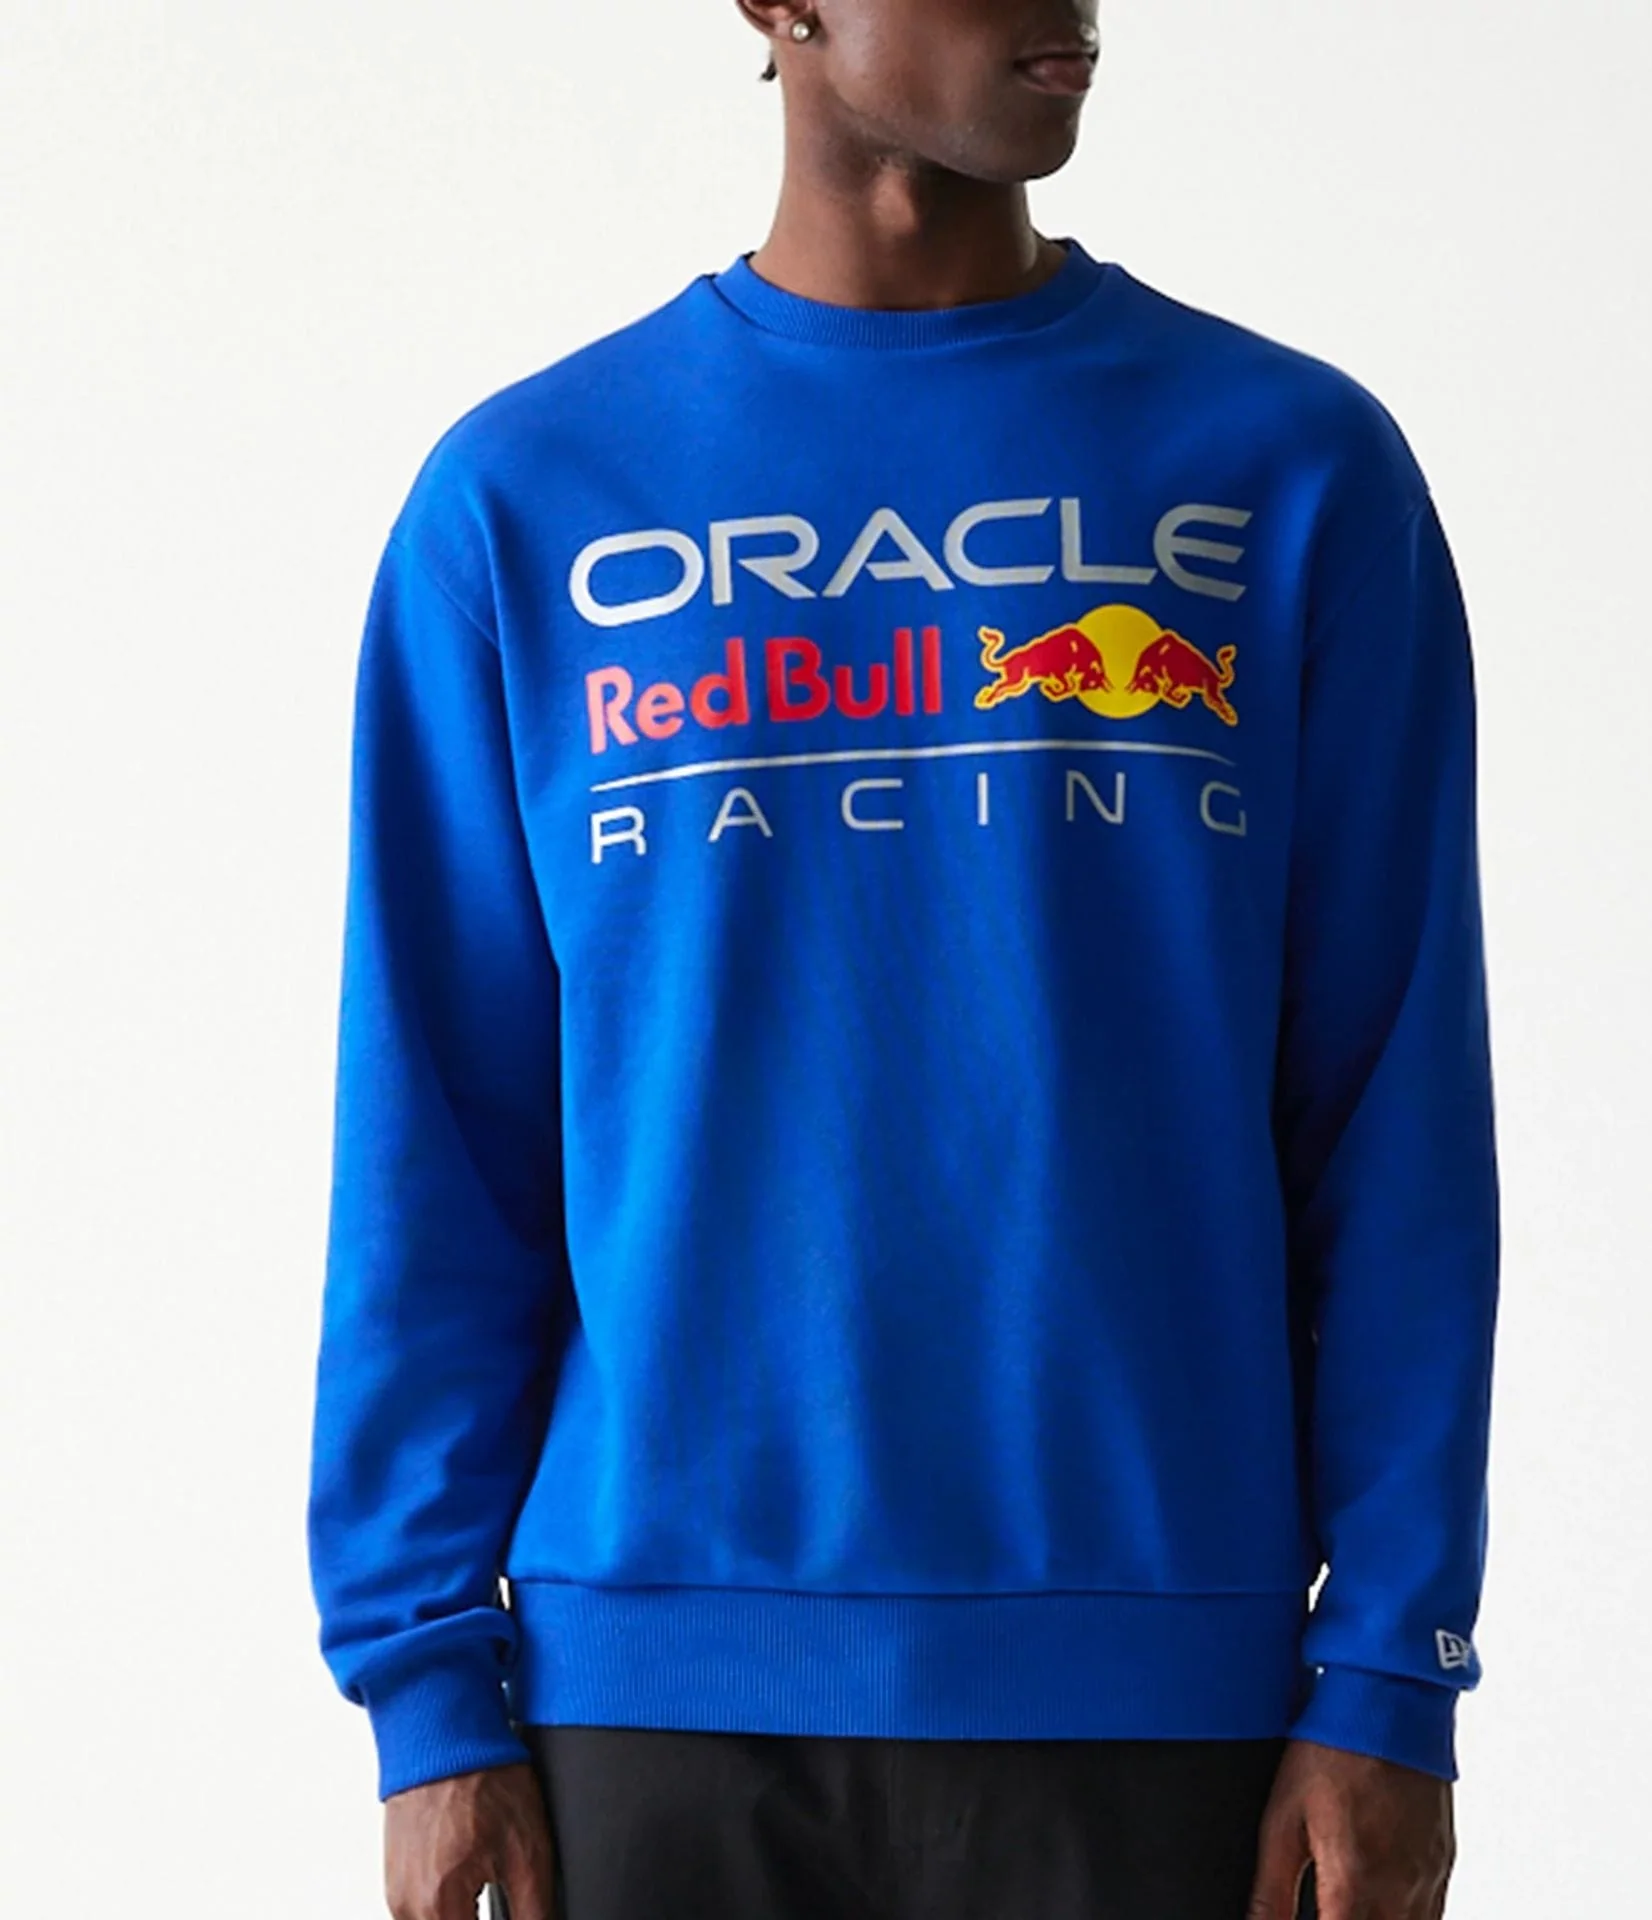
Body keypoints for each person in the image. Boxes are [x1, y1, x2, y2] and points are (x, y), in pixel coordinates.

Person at [304, 1, 1502, 1916]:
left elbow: (1396, 1114)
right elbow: (437, 1134)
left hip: (1166, 1699)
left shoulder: (1290, 470)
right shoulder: (530, 499)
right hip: (646, 1710)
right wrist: (425, 1687)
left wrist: (1392, 1668)